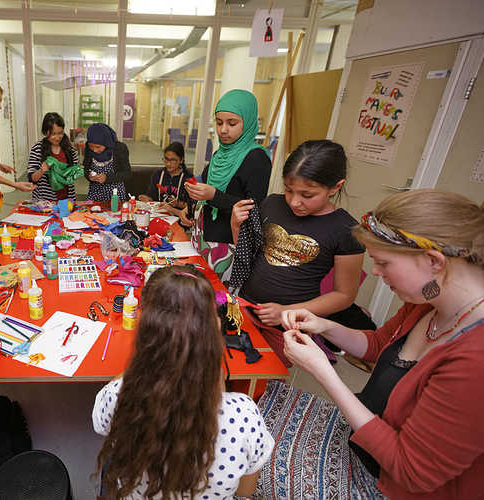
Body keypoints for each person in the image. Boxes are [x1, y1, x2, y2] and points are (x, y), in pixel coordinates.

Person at [257, 189, 484, 500]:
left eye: (383, 263)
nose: (375, 273)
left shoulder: (475, 361)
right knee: (254, 404)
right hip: (361, 438)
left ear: (433, 261)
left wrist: (324, 373)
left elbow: (411, 471)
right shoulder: (429, 299)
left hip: (385, 485)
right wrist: (324, 325)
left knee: (238, 455)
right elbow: (379, 345)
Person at [93, 266, 274, 499]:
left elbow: (101, 423)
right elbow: (244, 494)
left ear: (147, 331)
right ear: (215, 329)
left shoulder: (119, 396)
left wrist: (143, 361)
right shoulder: (244, 415)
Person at [231, 140, 368, 365]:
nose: (295, 201)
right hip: (245, 308)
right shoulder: (272, 204)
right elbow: (247, 255)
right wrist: (236, 226)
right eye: (289, 190)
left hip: (288, 325)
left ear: (335, 187)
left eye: (307, 195)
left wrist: (286, 311)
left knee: (267, 377)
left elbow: (344, 295)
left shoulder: (346, 230)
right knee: (233, 367)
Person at [185, 89, 271, 287]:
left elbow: (253, 208)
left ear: (248, 121)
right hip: (204, 234)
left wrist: (214, 195)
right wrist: (189, 205)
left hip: (229, 243)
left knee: (218, 298)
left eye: (232, 123)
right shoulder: (220, 154)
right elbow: (204, 187)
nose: (223, 130)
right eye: (219, 122)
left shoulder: (257, 159)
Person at [138, 141, 194, 227]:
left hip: (179, 221)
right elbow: (152, 196)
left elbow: (193, 206)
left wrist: (178, 204)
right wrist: (147, 199)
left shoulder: (189, 178)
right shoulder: (158, 174)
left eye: (173, 160)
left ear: (181, 160)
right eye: (166, 159)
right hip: (158, 217)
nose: (168, 163)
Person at [28, 112, 80, 202]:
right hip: (45, 202)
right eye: (53, 134)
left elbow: (74, 174)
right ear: (45, 132)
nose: (57, 137)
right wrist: (41, 171)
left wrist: (76, 171)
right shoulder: (37, 149)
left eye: (60, 133)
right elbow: (32, 179)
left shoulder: (70, 149)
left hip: (67, 200)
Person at [83, 123, 131, 202]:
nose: (94, 150)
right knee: (92, 214)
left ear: (106, 142)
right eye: (91, 146)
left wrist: (107, 177)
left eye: (98, 147)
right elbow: (86, 167)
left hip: (115, 195)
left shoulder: (119, 148)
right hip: (94, 193)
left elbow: (127, 173)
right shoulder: (88, 149)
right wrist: (89, 176)